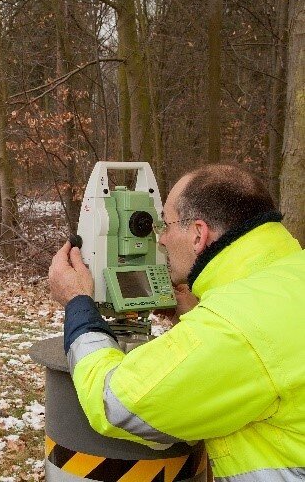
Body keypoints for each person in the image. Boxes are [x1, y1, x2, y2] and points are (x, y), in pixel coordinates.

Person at [47, 164, 305, 481]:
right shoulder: (291, 273)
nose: (161, 240)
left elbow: (114, 402)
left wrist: (77, 303)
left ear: (198, 234)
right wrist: (201, 312)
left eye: (165, 225)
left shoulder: (233, 327)